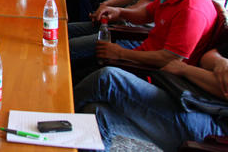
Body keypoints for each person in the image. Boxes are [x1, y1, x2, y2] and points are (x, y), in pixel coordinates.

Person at [74, 43, 228, 151]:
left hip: (215, 128)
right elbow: (209, 56)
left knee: (108, 78)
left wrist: (184, 69)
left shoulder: (194, 9)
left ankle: (59, 116)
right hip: (193, 98)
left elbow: (223, 88)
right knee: (96, 113)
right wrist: (221, 61)